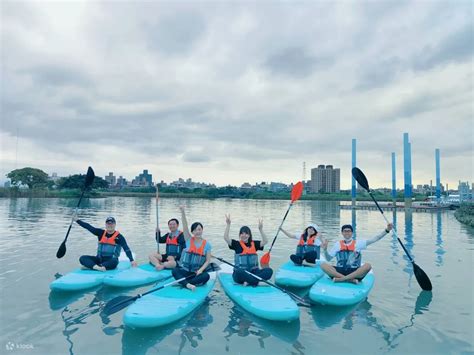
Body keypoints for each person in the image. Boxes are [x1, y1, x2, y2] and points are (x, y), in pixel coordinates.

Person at [321, 223, 394, 284]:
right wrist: (325, 250)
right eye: (345, 231)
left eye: (349, 231)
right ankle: (349, 280)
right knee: (323, 265)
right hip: (340, 270)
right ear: (342, 233)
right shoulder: (337, 244)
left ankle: (341, 279)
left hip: (354, 272)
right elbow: (328, 258)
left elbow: (375, 239)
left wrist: (387, 230)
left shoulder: (359, 244)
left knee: (368, 266)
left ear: (352, 233)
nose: (347, 232)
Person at [73, 216, 137, 271]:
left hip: (110, 261)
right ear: (105, 225)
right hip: (99, 259)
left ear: (115, 224)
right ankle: (97, 267)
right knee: (82, 258)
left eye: (112, 223)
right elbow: (88, 227)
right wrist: (77, 220)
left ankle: (92, 266)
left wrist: (132, 260)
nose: (110, 225)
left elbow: (126, 249)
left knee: (115, 262)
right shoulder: (100, 233)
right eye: (108, 223)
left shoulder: (119, 237)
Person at [223, 214, 272, 286]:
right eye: (242, 234)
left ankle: (249, 281)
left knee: (269, 271)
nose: (244, 235)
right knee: (239, 271)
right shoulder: (236, 244)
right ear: (239, 235)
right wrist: (228, 224)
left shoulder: (254, 244)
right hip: (241, 275)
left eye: (246, 234)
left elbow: (265, 241)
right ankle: (256, 281)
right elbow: (226, 237)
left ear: (249, 235)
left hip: (254, 272)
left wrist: (261, 229)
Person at [171, 206, 212, 291]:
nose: (198, 232)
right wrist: (183, 212)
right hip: (185, 271)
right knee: (175, 270)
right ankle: (188, 284)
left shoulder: (207, 245)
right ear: (192, 232)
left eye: (200, 229)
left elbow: (208, 260)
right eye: (195, 230)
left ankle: (184, 282)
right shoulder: (189, 239)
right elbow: (185, 226)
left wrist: (201, 270)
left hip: (196, 273)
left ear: (202, 230)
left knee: (206, 276)